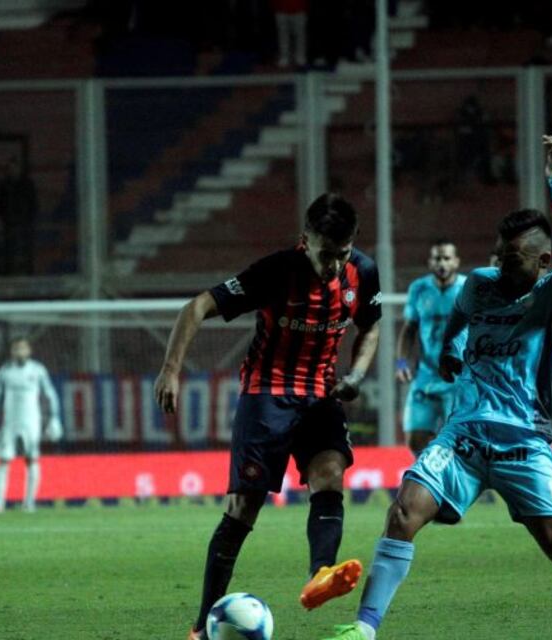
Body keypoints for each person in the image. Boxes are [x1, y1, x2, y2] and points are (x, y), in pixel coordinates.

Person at [320, 136, 552, 640]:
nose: (502, 266)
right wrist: (447, 348)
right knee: (402, 512)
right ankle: (364, 628)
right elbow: (459, 318)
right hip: (463, 436)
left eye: (515, 260)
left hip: (523, 442)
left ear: (545, 261)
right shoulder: (479, 282)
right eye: (501, 256)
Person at [153, 193, 382, 640]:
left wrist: (356, 373)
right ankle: (201, 627)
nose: (335, 265)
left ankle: (320, 573)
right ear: (305, 240)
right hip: (267, 395)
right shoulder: (276, 271)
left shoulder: (364, 271)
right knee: (243, 509)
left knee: (330, 473)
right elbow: (196, 306)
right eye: (326, 254)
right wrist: (170, 369)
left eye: (343, 254)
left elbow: (370, 323)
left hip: (320, 395)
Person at [396, 240, 466, 457]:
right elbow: (409, 330)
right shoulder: (419, 288)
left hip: (458, 379)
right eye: (437, 258)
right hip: (426, 376)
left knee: (460, 444)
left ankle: (461, 486)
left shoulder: (467, 288)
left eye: (446, 258)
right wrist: (401, 363)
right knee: (415, 440)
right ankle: (431, 479)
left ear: (456, 262)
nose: (442, 263)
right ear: (430, 262)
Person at [0, 337, 62, 513]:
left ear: (29, 350)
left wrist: (54, 418)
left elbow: (50, 394)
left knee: (32, 459)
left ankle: (29, 503)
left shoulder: (38, 370)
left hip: (31, 421)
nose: (20, 352)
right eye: (16, 349)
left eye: (23, 348)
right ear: (12, 351)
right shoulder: (5, 371)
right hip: (10, 421)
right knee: (3, 460)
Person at [0, 157, 38, 274]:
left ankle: (28, 271)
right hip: (9, 221)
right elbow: (0, 203)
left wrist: (30, 216)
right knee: (10, 248)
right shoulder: (4, 184)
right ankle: (10, 272)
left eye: (15, 167)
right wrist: (2, 216)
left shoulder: (27, 183)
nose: (13, 170)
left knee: (25, 247)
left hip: (24, 220)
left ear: (19, 169)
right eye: (10, 168)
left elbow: (33, 201)